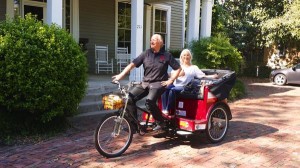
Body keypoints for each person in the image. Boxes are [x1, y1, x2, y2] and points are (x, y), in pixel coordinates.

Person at [112, 34, 181, 131]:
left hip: (158, 84)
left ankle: (161, 122)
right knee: (129, 99)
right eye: (151, 39)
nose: (151, 41)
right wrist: (121, 75)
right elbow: (132, 64)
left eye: (155, 39)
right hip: (145, 83)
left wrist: (171, 80)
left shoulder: (166, 55)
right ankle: (133, 126)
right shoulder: (146, 53)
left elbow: (178, 68)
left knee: (149, 102)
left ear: (160, 43)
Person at [161, 49, 218, 114]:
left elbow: (202, 76)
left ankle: (167, 110)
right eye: (184, 55)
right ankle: (164, 109)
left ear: (190, 57)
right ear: (181, 57)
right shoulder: (178, 66)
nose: (186, 57)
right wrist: (179, 74)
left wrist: (213, 76)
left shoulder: (194, 67)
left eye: (188, 55)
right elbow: (172, 76)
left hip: (185, 86)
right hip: (175, 85)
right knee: (164, 88)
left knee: (172, 90)